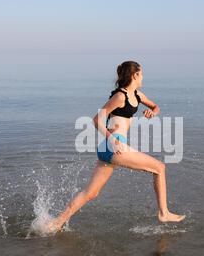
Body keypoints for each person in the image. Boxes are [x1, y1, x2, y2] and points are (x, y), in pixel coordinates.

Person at [47, 61, 185, 234]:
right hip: (113, 144)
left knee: (91, 193)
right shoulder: (120, 97)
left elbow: (155, 106)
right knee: (159, 167)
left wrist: (152, 112)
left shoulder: (137, 95)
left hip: (109, 147)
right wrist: (112, 139)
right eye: (141, 74)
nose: (143, 77)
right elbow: (96, 120)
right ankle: (164, 213)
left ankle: (55, 223)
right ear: (135, 75)